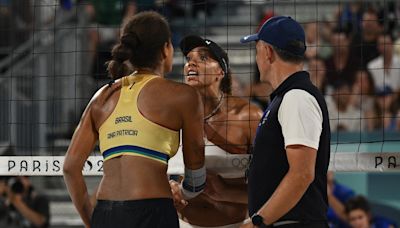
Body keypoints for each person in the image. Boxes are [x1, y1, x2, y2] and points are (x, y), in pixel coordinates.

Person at [63, 11, 205, 228]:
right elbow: (195, 160)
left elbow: (70, 168)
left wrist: (92, 221)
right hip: (152, 211)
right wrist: (185, 191)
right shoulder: (183, 96)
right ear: (166, 49)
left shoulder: (102, 97)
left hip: (106, 212)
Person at [240, 16, 331, 227]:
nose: (256, 59)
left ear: (268, 52)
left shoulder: (297, 97)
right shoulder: (286, 97)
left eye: (256, 50)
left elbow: (302, 174)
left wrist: (257, 222)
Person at [168, 35, 263, 228]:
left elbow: (271, 187)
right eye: (188, 59)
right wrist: (170, 190)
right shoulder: (173, 114)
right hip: (183, 223)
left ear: (221, 71)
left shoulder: (248, 117)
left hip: (236, 224)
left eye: (203, 58)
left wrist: (225, 191)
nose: (191, 63)